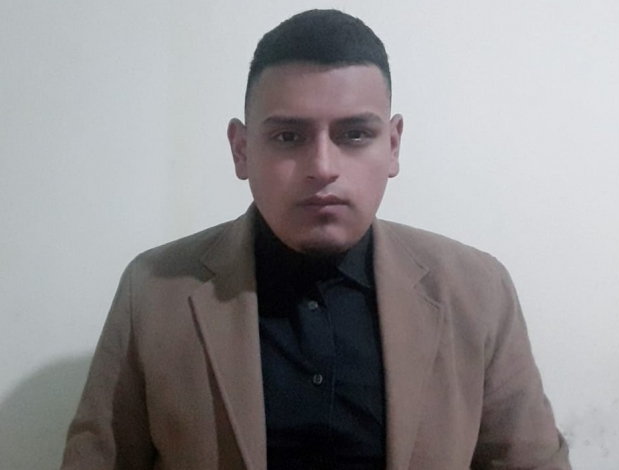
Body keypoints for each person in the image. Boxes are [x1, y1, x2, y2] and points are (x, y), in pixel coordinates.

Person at [61, 9, 571, 470]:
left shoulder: (477, 291)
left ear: (393, 146)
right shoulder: (155, 292)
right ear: (241, 150)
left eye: (354, 134)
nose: (323, 167)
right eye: (288, 137)